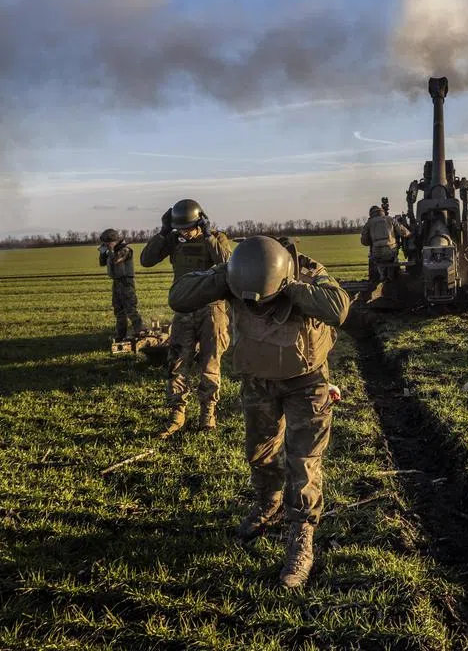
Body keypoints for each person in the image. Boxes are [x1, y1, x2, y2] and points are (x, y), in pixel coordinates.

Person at [168, 235, 350, 589]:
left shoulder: (308, 273)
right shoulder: (236, 275)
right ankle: (269, 502)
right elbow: (179, 297)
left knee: (303, 461)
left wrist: (292, 288)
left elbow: (339, 308)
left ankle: (301, 535)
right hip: (258, 381)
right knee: (260, 451)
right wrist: (223, 277)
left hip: (306, 382)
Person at [140, 199, 235, 437]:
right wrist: (163, 233)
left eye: (189, 228)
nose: (184, 232)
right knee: (177, 363)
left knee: (210, 364)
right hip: (184, 310)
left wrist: (208, 236)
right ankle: (177, 414)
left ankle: (208, 413)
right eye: (180, 229)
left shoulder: (216, 238)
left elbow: (228, 264)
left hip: (212, 310)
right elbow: (146, 260)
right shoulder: (173, 240)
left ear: (200, 222)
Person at [98, 228, 145, 339]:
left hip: (126, 282)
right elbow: (102, 263)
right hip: (116, 282)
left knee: (131, 309)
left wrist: (110, 250)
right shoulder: (112, 251)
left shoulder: (125, 250)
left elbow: (116, 260)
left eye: (106, 243)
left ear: (113, 241)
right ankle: (121, 335)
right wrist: (102, 253)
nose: (105, 245)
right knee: (119, 310)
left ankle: (141, 332)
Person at [360, 205, 410, 284]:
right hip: (391, 252)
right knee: (393, 259)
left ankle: (382, 277)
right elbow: (403, 232)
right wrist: (409, 233)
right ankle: (391, 277)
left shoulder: (369, 223)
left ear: (371, 214)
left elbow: (364, 241)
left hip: (377, 254)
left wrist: (373, 241)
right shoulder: (390, 219)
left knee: (376, 259)